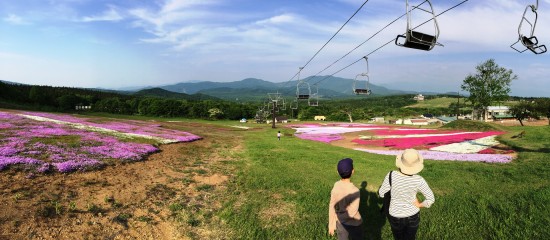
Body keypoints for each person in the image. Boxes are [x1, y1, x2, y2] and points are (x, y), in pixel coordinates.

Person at [378, 148, 435, 240]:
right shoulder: (419, 180)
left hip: (395, 215)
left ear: (401, 162)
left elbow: (381, 194)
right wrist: (420, 204)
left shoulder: (391, 175)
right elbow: (431, 199)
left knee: (398, 238)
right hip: (412, 215)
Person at [328, 158, 363, 240]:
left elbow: (331, 205)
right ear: (353, 171)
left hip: (340, 223)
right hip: (354, 223)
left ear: (337, 172)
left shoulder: (336, 186)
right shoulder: (355, 191)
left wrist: (332, 223)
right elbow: (352, 211)